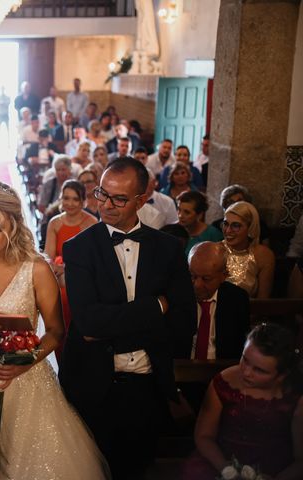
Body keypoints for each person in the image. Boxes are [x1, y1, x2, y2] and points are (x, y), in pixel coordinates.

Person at [0, 181, 110, 480]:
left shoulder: (36, 269)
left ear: (14, 225)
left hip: (25, 378)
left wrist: (24, 362)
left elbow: (55, 331)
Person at [61, 157, 196, 479]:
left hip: (148, 384)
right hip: (93, 383)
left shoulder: (168, 248)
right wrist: (156, 308)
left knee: (137, 469)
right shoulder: (79, 248)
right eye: (102, 194)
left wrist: (113, 323)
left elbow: (184, 322)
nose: (106, 205)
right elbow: (89, 324)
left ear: (141, 199)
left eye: (119, 198)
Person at [183, 323, 303, 480]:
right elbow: (204, 436)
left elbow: (301, 459)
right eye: (245, 360)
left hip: (276, 468)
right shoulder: (224, 382)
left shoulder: (296, 396)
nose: (246, 372)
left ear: (281, 375)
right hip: (221, 460)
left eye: (259, 370)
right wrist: (227, 470)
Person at [44, 180, 98, 361]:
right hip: (58, 275)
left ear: (83, 201)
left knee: (68, 297)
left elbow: (94, 260)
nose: (70, 203)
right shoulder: (55, 223)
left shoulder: (91, 223)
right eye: (66, 198)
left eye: (75, 199)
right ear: (61, 199)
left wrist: (67, 268)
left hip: (83, 277)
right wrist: (55, 267)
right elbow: (48, 256)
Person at [188, 242, 250, 361]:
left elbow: (239, 346)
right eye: (192, 276)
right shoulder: (177, 295)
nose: (197, 285)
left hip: (222, 368)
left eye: (206, 279)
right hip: (182, 367)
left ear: (224, 276)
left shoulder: (237, 299)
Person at [221, 201, 275, 299]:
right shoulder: (215, 250)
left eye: (236, 225)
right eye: (225, 224)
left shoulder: (263, 255)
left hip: (250, 312)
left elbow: (263, 301)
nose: (228, 230)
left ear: (250, 228)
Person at [177, 190, 224, 255]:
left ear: (199, 215)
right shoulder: (172, 230)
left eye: (187, 212)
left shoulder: (213, 235)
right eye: (179, 210)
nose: (180, 215)